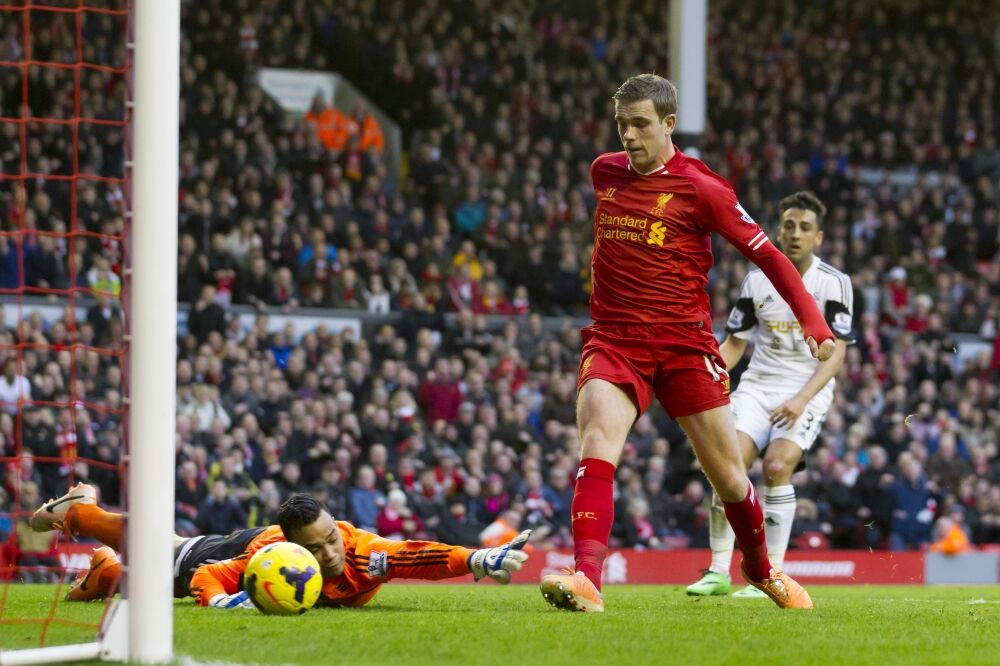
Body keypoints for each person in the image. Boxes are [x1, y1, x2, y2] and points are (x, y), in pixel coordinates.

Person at [538, 74, 835, 613]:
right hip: (615, 340)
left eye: (641, 124)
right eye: (621, 124)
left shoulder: (703, 189)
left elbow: (769, 257)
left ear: (669, 124)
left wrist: (814, 324)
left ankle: (761, 568)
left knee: (729, 475)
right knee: (597, 443)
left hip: (684, 346)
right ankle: (587, 578)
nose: (628, 135)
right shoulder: (603, 172)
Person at [685, 191, 853, 598]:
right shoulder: (756, 280)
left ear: (819, 237)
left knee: (777, 466)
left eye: (805, 228)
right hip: (757, 386)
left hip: (806, 389)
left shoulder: (833, 283)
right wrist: (701, 375)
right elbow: (735, 344)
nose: (795, 234)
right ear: (777, 231)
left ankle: (770, 575)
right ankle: (718, 570)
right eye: (789, 226)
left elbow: (836, 355)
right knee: (729, 464)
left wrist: (800, 400)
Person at [30, 484, 530, 608]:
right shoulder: (271, 553)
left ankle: (103, 566)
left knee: (143, 565)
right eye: (316, 550)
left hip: (244, 546)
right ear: (295, 547)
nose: (331, 554)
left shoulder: (360, 551)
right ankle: (83, 513)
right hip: (220, 553)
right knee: (172, 558)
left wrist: (476, 559)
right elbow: (208, 578)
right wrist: (222, 601)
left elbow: (418, 554)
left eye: (332, 538)